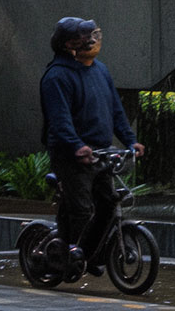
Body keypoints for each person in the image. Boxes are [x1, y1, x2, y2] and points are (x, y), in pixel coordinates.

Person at [39, 17, 143, 276]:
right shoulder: (57, 76)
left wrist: (130, 140)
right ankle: (71, 257)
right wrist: (76, 146)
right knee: (82, 209)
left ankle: (86, 254)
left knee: (107, 205)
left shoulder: (100, 71)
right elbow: (59, 119)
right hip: (71, 156)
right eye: (84, 39)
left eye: (93, 35)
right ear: (69, 45)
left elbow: (116, 111)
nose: (92, 41)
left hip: (100, 153)